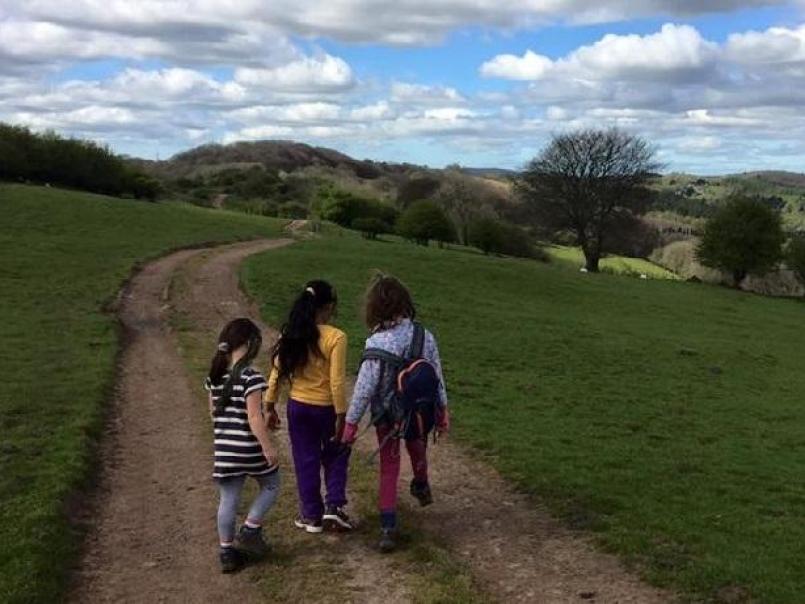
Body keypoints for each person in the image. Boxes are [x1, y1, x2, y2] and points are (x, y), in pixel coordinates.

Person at [342, 274, 449, 552]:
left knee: (389, 468)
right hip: (419, 411)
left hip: (387, 417)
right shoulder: (425, 336)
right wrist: (442, 411)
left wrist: (351, 424)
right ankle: (421, 482)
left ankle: (388, 526)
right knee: (417, 447)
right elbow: (436, 374)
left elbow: (364, 388)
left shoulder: (377, 343)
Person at [265, 280, 353, 533]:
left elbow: (277, 371)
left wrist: (269, 405)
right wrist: (340, 413)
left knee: (306, 460)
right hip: (325, 408)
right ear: (329, 307)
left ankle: (311, 515)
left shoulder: (291, 333)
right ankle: (334, 506)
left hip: (298, 407)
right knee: (337, 452)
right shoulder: (336, 337)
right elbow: (336, 381)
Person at [205, 318, 280, 573]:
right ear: (249, 345)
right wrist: (267, 446)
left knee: (228, 499)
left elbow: (213, 415)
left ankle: (227, 552)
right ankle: (250, 528)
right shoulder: (251, 376)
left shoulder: (214, 377)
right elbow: (254, 417)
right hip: (249, 448)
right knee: (271, 483)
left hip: (225, 451)